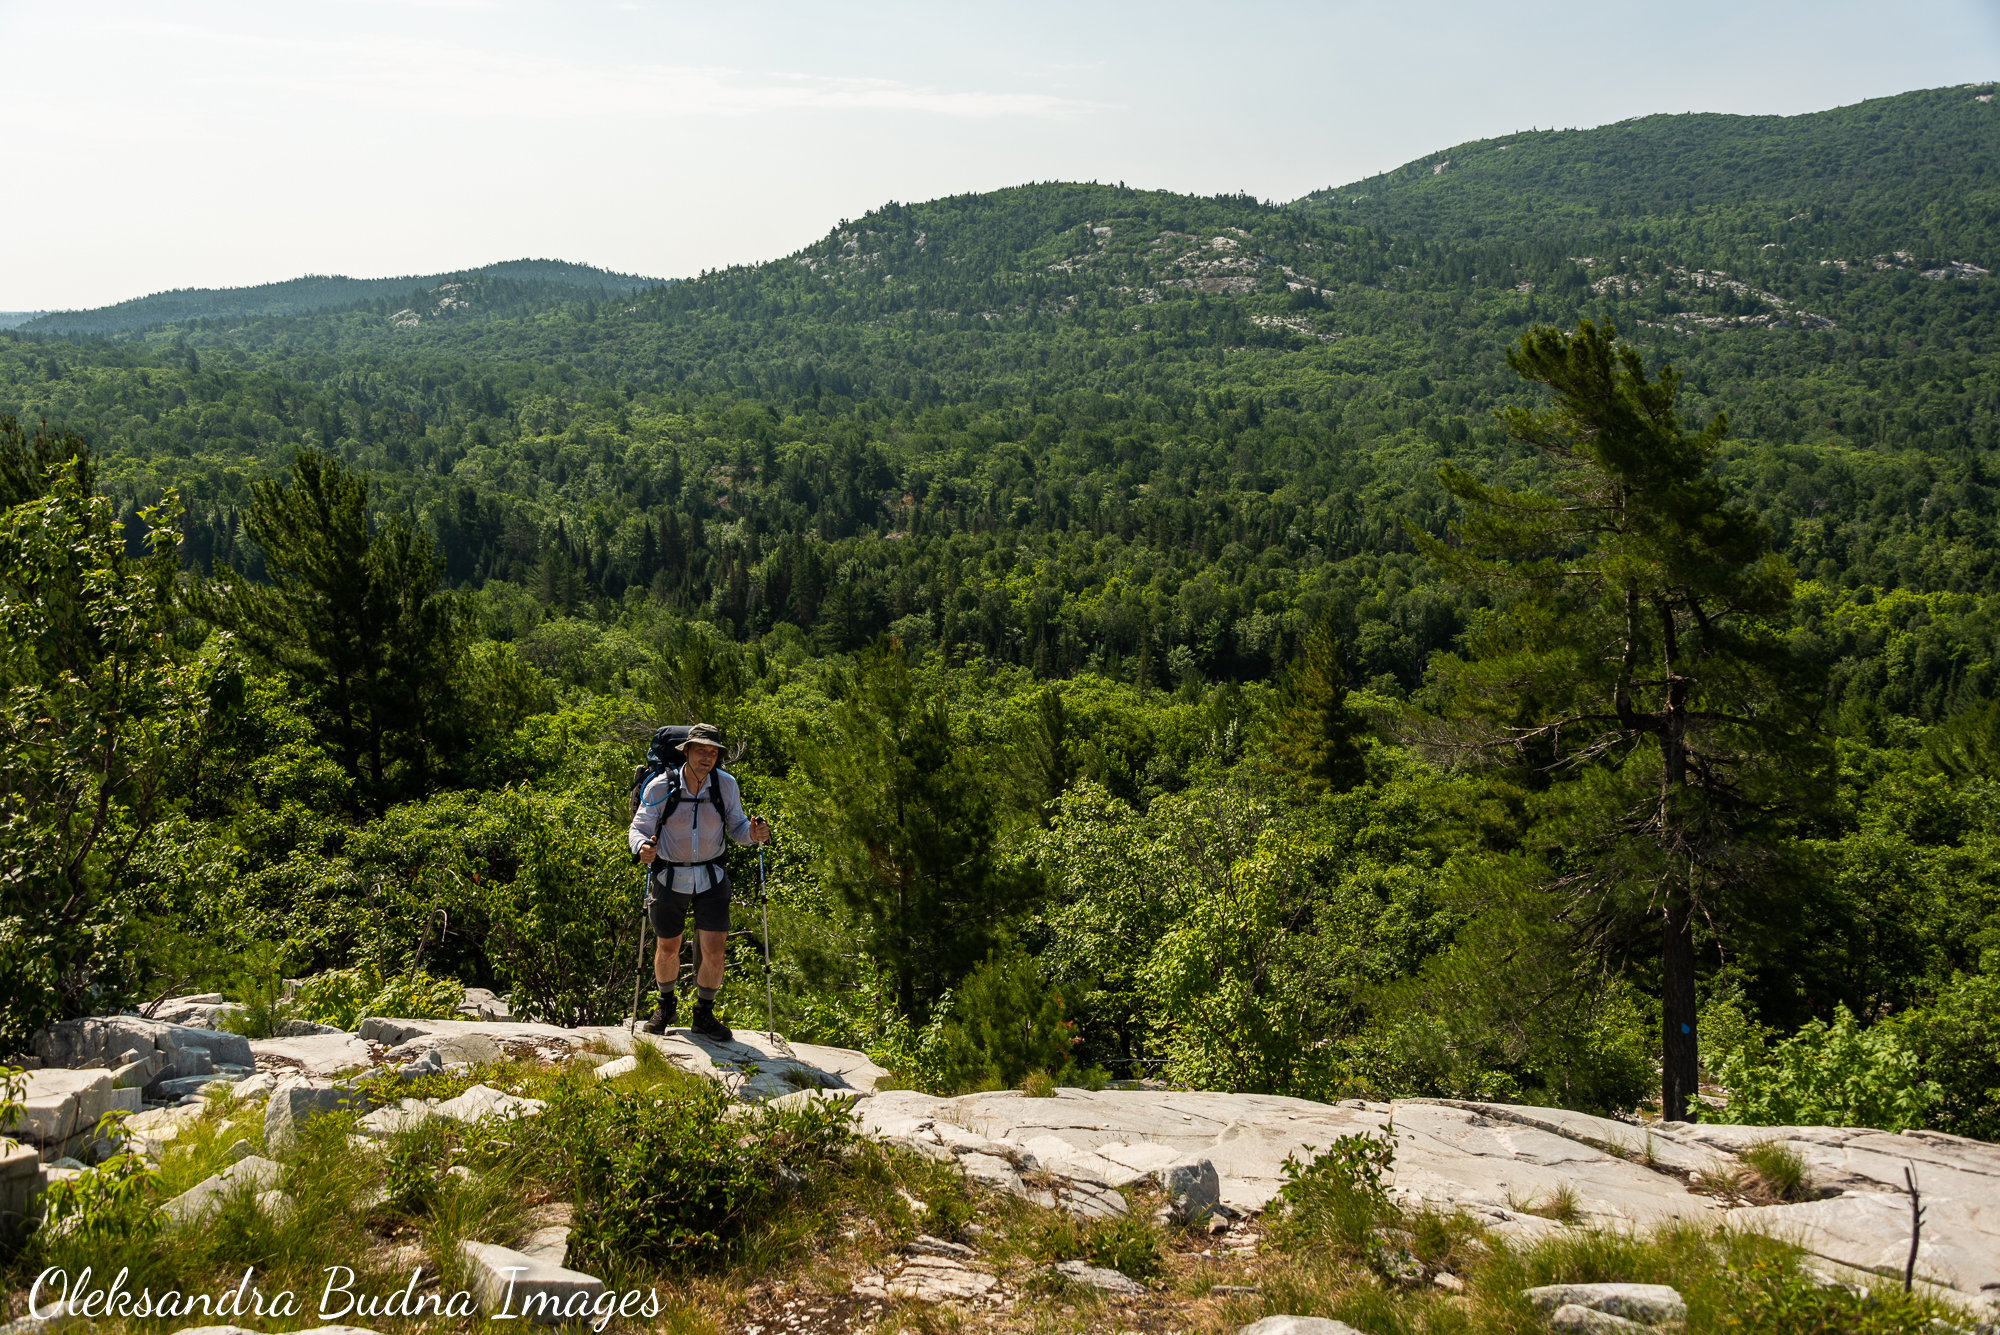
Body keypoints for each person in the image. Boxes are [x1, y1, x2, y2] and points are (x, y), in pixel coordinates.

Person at [627, 722, 770, 1040]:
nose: (707, 757)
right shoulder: (660, 787)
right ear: (686, 751)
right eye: (701, 750)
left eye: (713, 752)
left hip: (712, 877)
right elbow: (638, 828)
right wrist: (642, 848)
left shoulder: (726, 785)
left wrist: (752, 832)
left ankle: (703, 1014)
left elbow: (736, 827)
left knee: (715, 950)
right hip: (669, 874)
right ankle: (665, 1005)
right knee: (668, 947)